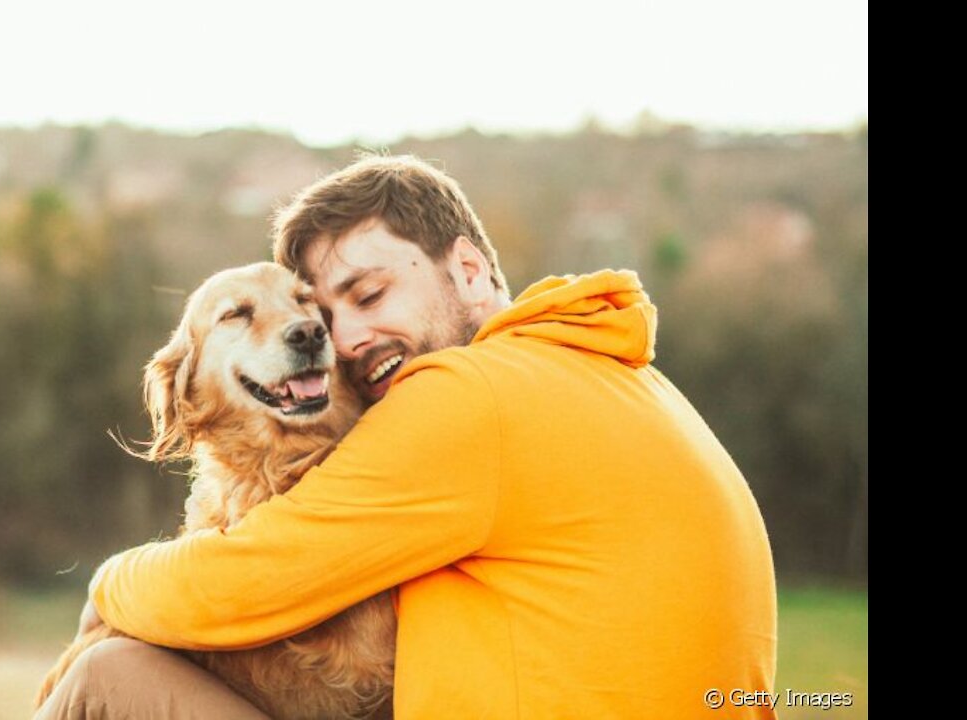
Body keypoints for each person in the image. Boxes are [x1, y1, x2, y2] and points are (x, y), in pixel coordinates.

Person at [41, 155, 777, 719]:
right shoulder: (610, 372)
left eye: (369, 295)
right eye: (329, 314)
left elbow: (242, 584)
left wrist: (110, 584)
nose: (346, 338)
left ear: (468, 267)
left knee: (104, 678)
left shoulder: (469, 394)